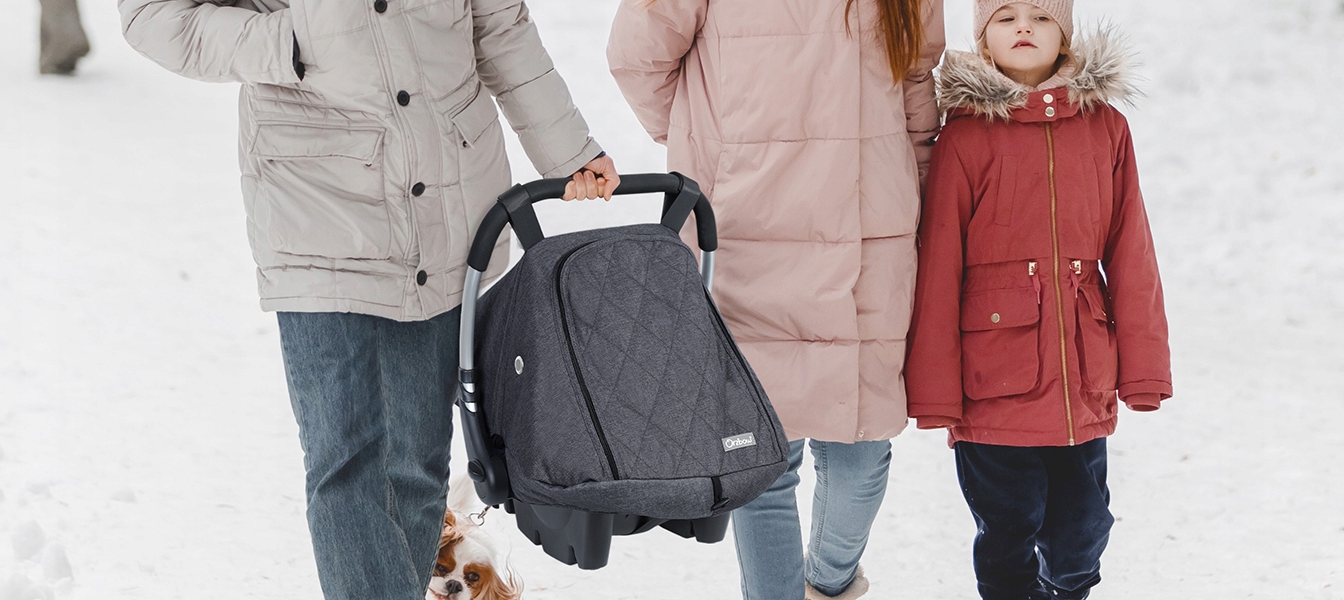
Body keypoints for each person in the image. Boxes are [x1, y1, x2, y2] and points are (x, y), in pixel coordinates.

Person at [117, 1, 619, 598]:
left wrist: (568, 149)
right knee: (349, 464)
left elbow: (497, 21)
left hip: (446, 203)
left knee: (416, 468)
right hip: (319, 204)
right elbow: (152, 16)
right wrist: (288, 40)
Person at [609, 1, 944, 598]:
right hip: (750, 220)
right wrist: (713, 141)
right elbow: (638, 54)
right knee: (763, 456)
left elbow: (916, 74)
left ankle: (829, 581)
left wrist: (916, 177)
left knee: (862, 451)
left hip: (872, 226)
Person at [904, 1, 1172, 599]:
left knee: (1083, 532)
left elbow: (1132, 251)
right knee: (1007, 531)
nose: (1024, 27)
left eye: (1041, 17)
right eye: (1006, 17)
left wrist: (1144, 371)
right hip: (993, 384)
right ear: (984, 40)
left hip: (1083, 378)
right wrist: (935, 391)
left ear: (1065, 36)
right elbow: (939, 266)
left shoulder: (1106, 128)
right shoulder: (964, 138)